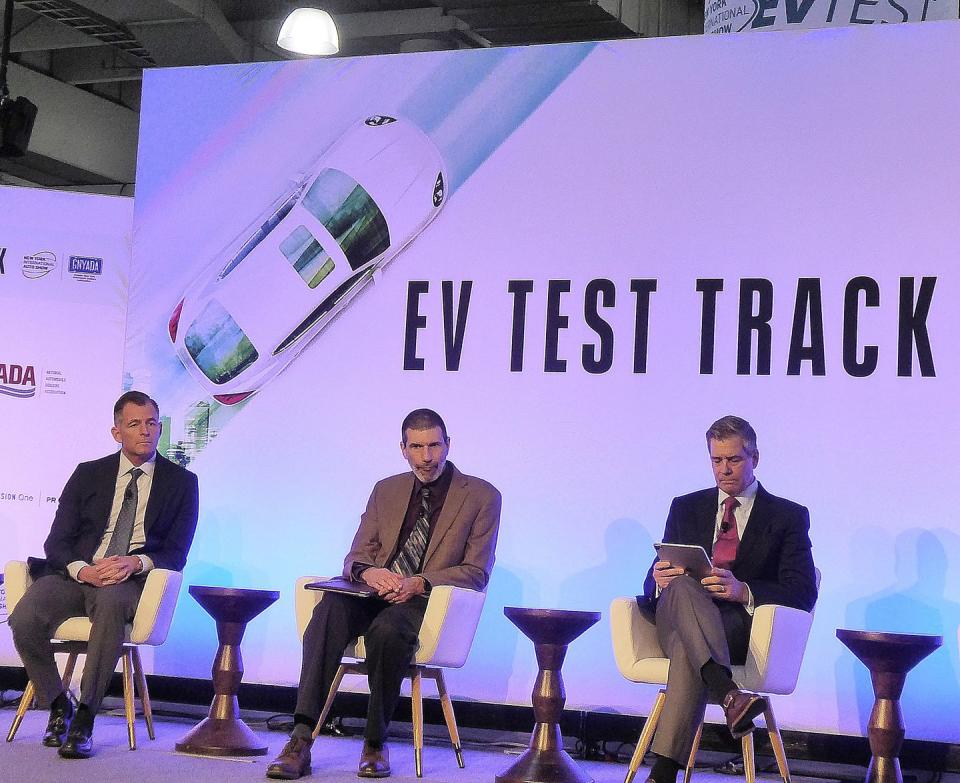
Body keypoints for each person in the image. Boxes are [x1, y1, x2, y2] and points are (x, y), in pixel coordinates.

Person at [267, 409, 501, 780]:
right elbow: (356, 556)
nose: (428, 457)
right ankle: (300, 739)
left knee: (388, 632)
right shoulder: (386, 489)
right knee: (327, 611)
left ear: (448, 445)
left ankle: (375, 742)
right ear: (403, 449)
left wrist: (420, 582)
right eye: (417, 447)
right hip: (373, 591)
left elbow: (476, 571)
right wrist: (370, 572)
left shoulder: (482, 495)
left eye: (435, 445)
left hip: (423, 601)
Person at [9, 390, 199, 759]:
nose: (145, 431)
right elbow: (57, 542)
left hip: (127, 582)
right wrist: (83, 570)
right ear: (117, 433)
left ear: (160, 428)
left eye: (151, 423)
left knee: (112, 605)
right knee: (25, 617)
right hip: (79, 574)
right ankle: (58, 704)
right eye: (134, 424)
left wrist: (135, 562)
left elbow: (176, 553)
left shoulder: (182, 483)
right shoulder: (88, 474)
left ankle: (84, 717)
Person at [638, 415, 817, 783]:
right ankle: (730, 696)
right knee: (684, 586)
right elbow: (653, 575)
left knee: (692, 650)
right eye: (716, 461)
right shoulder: (685, 506)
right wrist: (656, 578)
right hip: (675, 618)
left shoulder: (787, 516)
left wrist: (744, 590)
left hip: (734, 629)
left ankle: (663, 772)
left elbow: (802, 589)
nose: (724, 470)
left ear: (755, 458)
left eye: (733, 460)